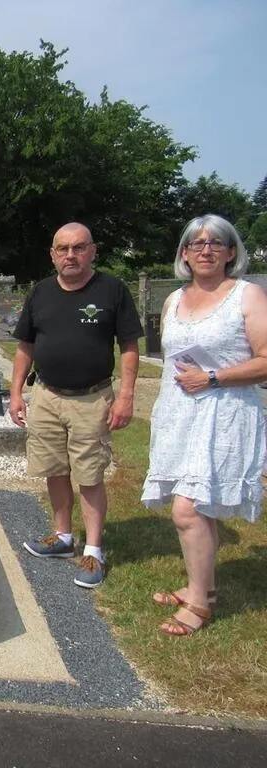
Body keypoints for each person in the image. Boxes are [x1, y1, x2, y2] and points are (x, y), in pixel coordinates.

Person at [141, 214, 267, 636]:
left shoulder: (247, 296)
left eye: (216, 243)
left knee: (188, 509)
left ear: (231, 252)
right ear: (184, 253)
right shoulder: (174, 300)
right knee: (200, 507)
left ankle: (199, 605)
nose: (206, 249)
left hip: (225, 416)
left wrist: (213, 377)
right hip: (181, 414)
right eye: (197, 243)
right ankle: (203, 588)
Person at [9, 222, 142, 588]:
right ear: (53, 255)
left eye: (79, 247)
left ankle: (94, 551)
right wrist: (17, 393)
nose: (71, 255)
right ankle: (63, 536)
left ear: (92, 251)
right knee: (54, 468)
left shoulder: (112, 290)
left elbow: (129, 347)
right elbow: (25, 346)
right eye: (63, 249)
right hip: (47, 396)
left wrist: (126, 396)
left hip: (92, 399)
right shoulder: (40, 292)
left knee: (90, 475)